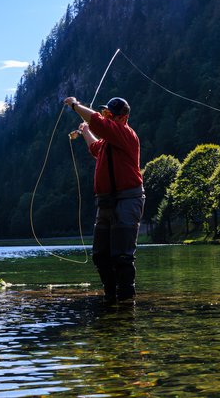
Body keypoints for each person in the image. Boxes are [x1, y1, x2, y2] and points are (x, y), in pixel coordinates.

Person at [63, 96, 145, 303]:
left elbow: (98, 122)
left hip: (127, 199)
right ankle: (110, 297)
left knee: (122, 256)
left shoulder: (125, 134)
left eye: (111, 115)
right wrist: (85, 132)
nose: (106, 117)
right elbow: (95, 148)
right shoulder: (110, 141)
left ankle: (126, 302)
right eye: (105, 113)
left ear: (123, 117)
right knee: (101, 255)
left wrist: (75, 105)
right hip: (106, 202)